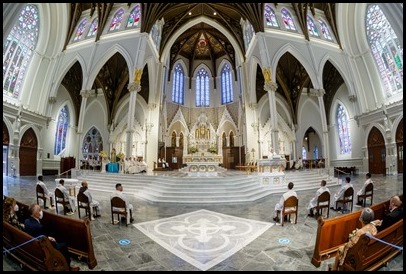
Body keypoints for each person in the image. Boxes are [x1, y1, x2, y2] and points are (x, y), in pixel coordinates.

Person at [24, 204, 80, 271]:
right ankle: (68, 267)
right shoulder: (39, 227)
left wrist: (48, 237)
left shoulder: (26, 221)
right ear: (35, 213)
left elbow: (38, 235)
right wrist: (50, 240)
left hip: (35, 246)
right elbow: (44, 240)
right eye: (39, 210)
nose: (41, 211)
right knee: (64, 245)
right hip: (45, 249)